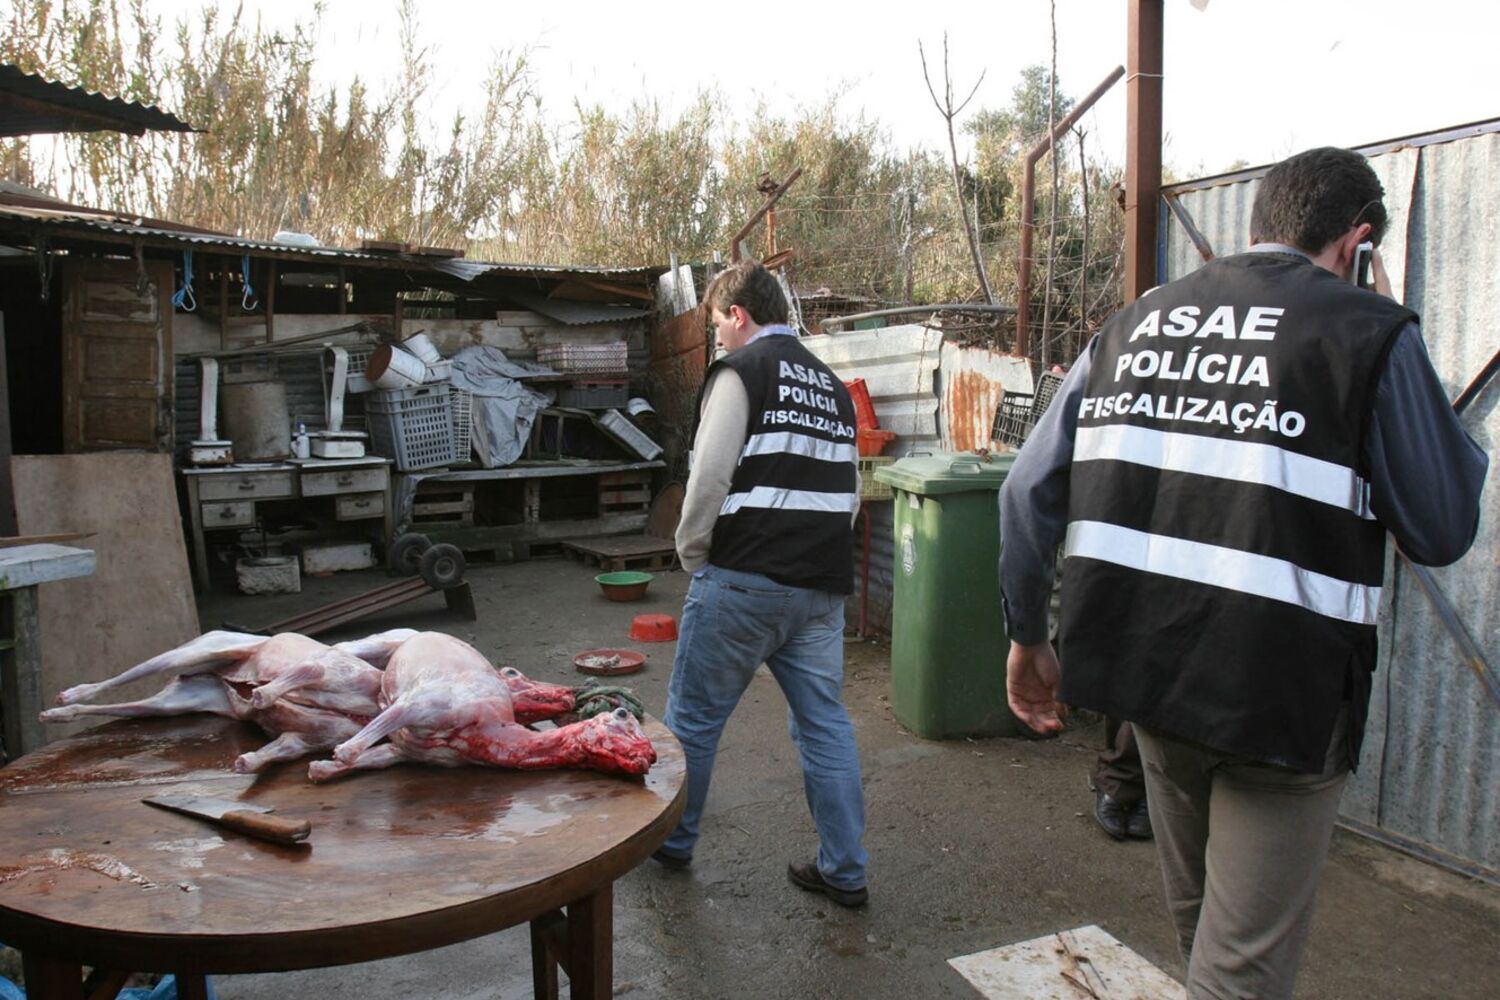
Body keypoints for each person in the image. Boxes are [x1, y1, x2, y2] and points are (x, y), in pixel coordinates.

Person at [998, 146, 1487, 999]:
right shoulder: (1368, 333)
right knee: (1239, 972)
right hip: (1278, 699)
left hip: (1146, 683)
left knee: (1206, 936)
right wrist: (1389, 337)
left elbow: (1025, 490)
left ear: (1259, 223)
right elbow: (1441, 523)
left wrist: (1026, 635)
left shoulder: (1134, 324)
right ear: (1359, 242)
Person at [654, 261, 869, 908]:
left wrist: (693, 554)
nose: (717, 337)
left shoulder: (740, 372)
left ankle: (672, 842)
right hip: (820, 587)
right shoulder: (831, 387)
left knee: (694, 719)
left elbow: (709, 477)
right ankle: (845, 869)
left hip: (744, 579)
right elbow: (850, 493)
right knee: (824, 725)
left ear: (738, 315)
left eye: (717, 325)